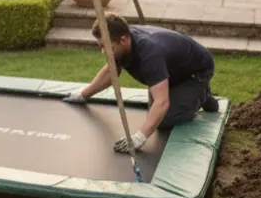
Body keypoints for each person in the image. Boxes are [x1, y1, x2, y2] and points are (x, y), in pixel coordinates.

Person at [64, 13, 219, 153]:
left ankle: (202, 94)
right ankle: (190, 94)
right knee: (155, 110)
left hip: (194, 73)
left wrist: (140, 137)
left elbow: (162, 102)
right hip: (172, 69)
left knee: (164, 119)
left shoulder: (150, 54)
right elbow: (111, 72)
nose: (104, 52)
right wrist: (83, 95)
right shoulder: (121, 39)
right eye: (101, 46)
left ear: (123, 40)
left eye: (107, 47)